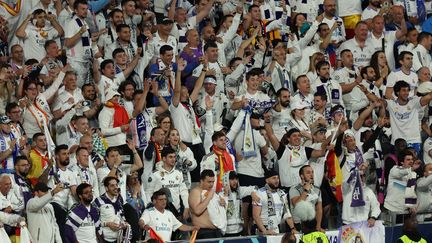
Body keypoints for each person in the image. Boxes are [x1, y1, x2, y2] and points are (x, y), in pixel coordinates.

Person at [146, 146, 189, 220]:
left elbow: (184, 191)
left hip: (177, 213)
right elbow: (148, 193)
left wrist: (187, 207)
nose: (173, 159)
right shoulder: (155, 174)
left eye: (174, 157)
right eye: (170, 157)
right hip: (161, 213)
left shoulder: (178, 173)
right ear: (164, 158)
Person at [252, 170, 296, 235]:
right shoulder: (259, 193)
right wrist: (264, 231)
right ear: (267, 180)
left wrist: (293, 229)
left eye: (277, 178)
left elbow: (286, 213)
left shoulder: (282, 193)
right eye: (274, 178)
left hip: (276, 229)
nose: (277, 180)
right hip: (262, 230)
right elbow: (256, 215)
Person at [189, 170, 227, 239]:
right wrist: (209, 197)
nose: (211, 184)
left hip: (215, 232)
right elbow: (197, 211)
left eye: (213, 182)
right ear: (201, 181)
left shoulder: (210, 192)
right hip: (203, 232)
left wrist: (222, 204)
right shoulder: (195, 192)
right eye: (209, 182)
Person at [94, 176, 129, 243]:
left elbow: (122, 216)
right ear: (106, 188)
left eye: (116, 185)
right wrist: (107, 224)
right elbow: (93, 221)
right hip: (104, 239)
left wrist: (124, 224)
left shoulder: (119, 200)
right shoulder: (98, 201)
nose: (116, 187)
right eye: (112, 185)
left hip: (118, 238)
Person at [289, 165, 324, 231]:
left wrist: (318, 226)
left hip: (312, 224)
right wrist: (306, 191)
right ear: (302, 176)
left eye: (312, 172)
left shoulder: (317, 189)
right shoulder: (294, 189)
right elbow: (296, 205)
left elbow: (319, 209)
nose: (311, 175)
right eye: (308, 173)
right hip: (299, 225)